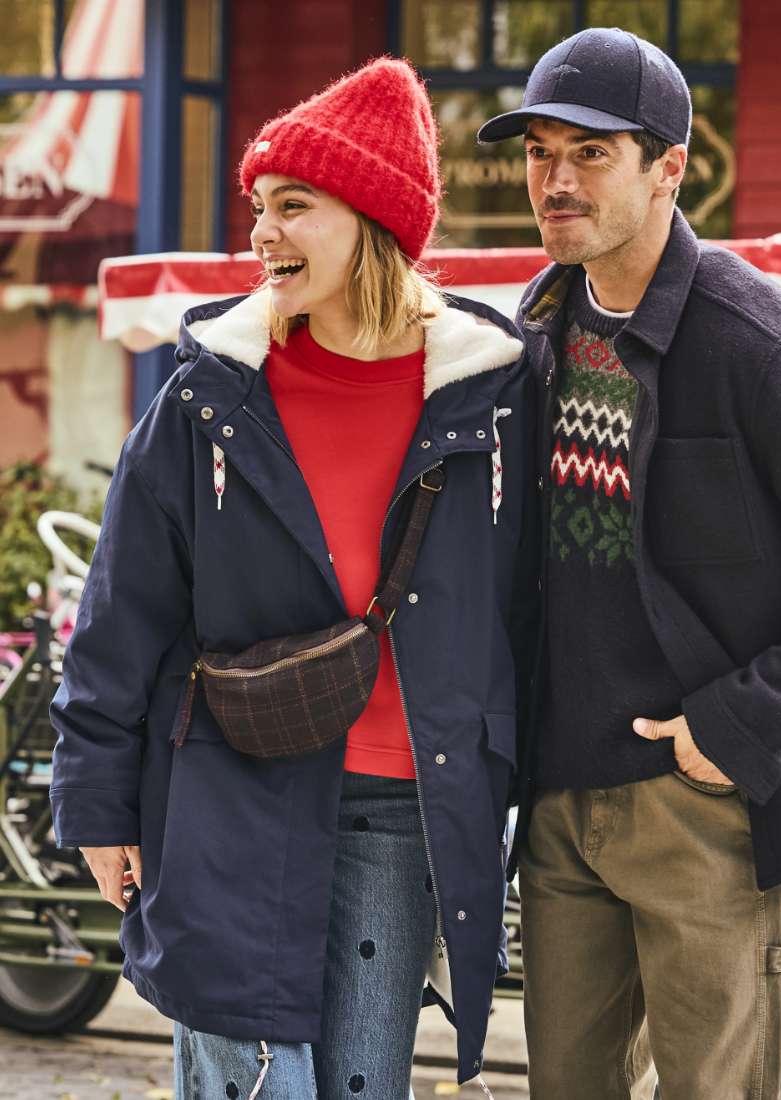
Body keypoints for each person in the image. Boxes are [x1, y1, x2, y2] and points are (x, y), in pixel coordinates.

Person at [50, 57, 536, 1100]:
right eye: (259, 207)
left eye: (294, 206)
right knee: (256, 1082)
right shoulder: (209, 396)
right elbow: (121, 610)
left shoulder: (491, 397)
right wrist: (96, 802)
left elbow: (536, 611)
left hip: (407, 810)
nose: (261, 233)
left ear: (374, 220)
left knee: (362, 1086)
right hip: (227, 792)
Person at [477, 26, 781, 1100]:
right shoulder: (537, 329)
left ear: (670, 167)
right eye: (539, 153)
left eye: (591, 153)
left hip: (708, 805)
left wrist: (739, 726)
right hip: (560, 801)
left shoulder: (765, 341)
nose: (555, 181)